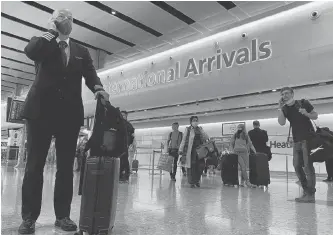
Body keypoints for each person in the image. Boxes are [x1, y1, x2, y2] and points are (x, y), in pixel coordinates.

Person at [19, 9, 109, 234]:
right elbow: (30, 51)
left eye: (69, 18)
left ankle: (63, 216)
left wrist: (98, 89)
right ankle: (29, 218)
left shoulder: (81, 50)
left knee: (66, 168)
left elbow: (90, 74)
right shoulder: (43, 43)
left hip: (68, 115)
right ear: (53, 20)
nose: (65, 21)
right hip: (40, 112)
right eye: (60, 17)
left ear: (73, 23)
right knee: (34, 166)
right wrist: (51, 31)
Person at [278, 87, 318, 203]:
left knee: (308, 167)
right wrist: (280, 109)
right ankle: (306, 190)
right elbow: (281, 123)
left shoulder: (303, 102)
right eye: (282, 94)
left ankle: (310, 194)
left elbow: (315, 115)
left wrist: (306, 113)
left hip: (308, 139)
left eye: (286, 93)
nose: (284, 95)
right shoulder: (284, 108)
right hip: (296, 141)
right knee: (296, 166)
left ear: (292, 94)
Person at [179, 116, 209, 188]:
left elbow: (206, 137)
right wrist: (180, 149)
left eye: (196, 120)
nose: (195, 122)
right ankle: (192, 182)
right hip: (191, 151)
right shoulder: (188, 129)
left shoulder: (200, 129)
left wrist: (202, 131)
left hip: (200, 151)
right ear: (191, 122)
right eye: (194, 120)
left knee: (200, 166)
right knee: (191, 166)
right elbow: (184, 140)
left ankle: (197, 180)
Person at [120, 110, 135, 183]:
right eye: (121, 115)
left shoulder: (129, 125)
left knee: (125, 160)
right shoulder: (118, 124)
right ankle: (121, 176)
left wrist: (129, 144)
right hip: (119, 145)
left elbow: (132, 136)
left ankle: (126, 176)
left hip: (125, 144)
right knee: (120, 160)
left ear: (126, 116)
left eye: (124, 115)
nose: (122, 116)